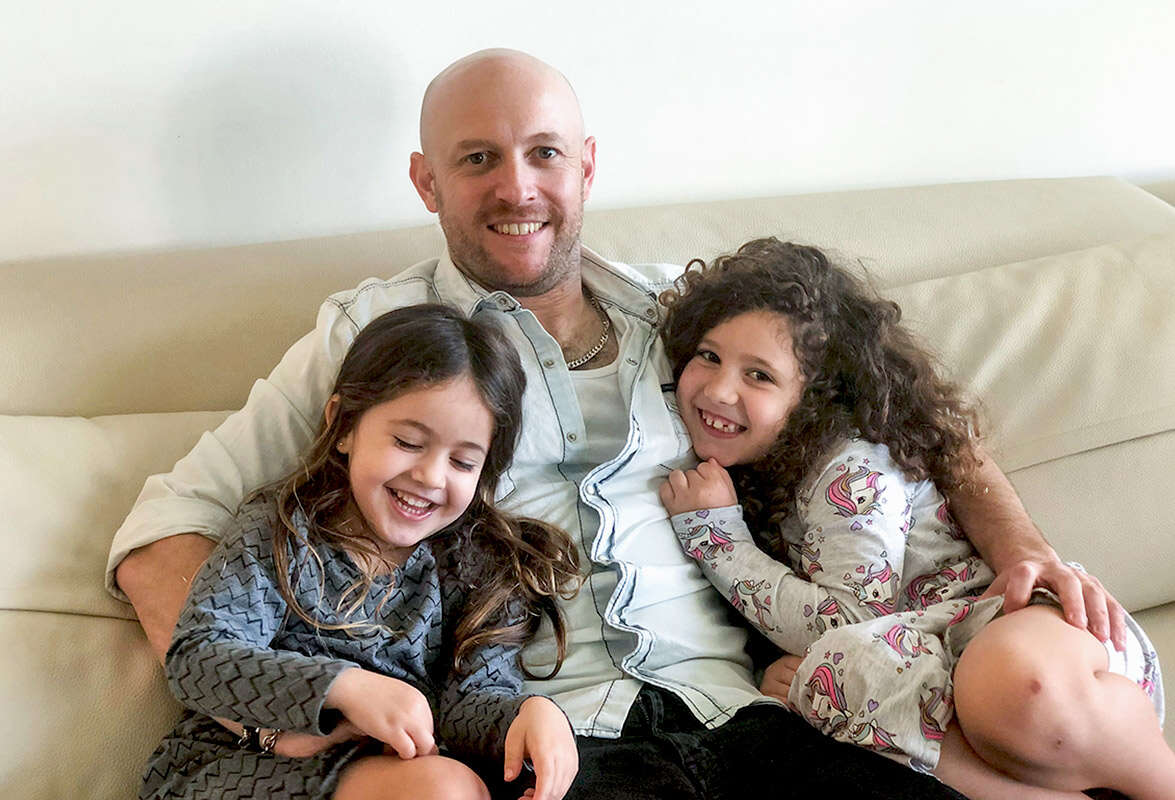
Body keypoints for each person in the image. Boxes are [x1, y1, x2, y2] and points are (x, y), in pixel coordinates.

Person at [109, 49, 1130, 799]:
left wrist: (1022, 552)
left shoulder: (693, 317)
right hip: (545, 740)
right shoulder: (372, 337)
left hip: (749, 711)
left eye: (543, 153)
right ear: (427, 182)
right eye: (477, 159)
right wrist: (294, 705)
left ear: (586, 166)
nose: (516, 187)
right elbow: (162, 532)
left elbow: (911, 414)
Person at [657, 237, 1172, 799]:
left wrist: (719, 540)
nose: (719, 389)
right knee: (834, 676)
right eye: (708, 356)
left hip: (1010, 625)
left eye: (759, 375)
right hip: (922, 677)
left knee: (1020, 684)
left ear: (815, 398)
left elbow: (850, 616)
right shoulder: (753, 471)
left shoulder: (849, 469)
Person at [140, 305, 582, 800]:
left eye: (462, 462)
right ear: (344, 426)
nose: (431, 476)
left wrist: (527, 715)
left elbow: (472, 703)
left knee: (449, 787)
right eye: (408, 442)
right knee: (444, 790)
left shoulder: (477, 568)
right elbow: (196, 658)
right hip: (235, 765)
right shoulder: (281, 529)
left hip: (392, 777)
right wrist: (342, 687)